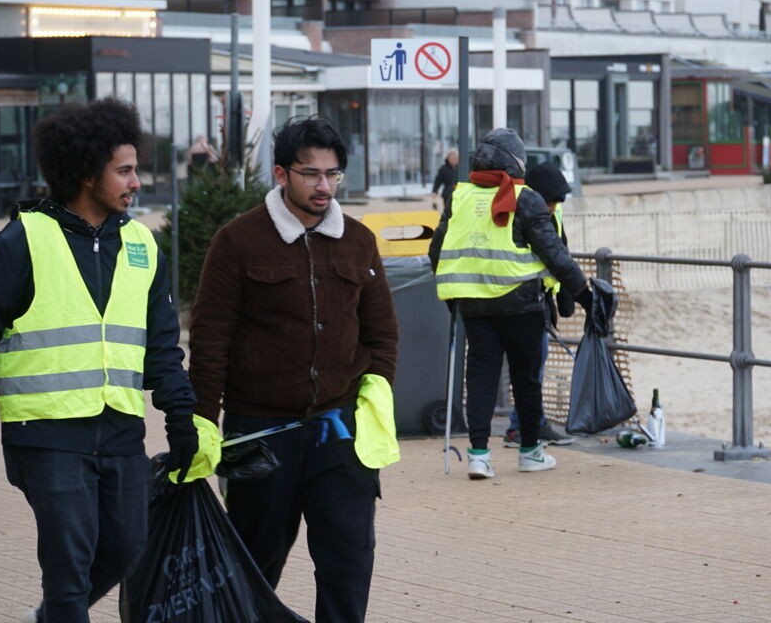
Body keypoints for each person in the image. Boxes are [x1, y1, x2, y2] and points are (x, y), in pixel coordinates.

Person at [0, 98, 199, 623]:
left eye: (135, 168)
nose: (136, 182)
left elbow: (163, 345)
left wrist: (179, 415)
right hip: (46, 435)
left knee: (128, 546)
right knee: (69, 565)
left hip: (121, 431)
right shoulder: (26, 238)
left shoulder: (143, 246)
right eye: (124, 170)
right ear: (86, 174)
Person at [189, 115, 398, 623]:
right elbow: (210, 340)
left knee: (349, 566)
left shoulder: (359, 240)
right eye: (311, 174)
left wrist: (370, 400)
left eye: (333, 174)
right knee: (253, 572)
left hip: (338, 433)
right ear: (281, 175)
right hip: (259, 435)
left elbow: (383, 333)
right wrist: (199, 422)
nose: (324, 186)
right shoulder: (237, 241)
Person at [429, 129, 591, 480]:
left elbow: (436, 251)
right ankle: (531, 452)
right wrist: (584, 295)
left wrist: (454, 295)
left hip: (475, 307)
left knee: (481, 378)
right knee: (527, 380)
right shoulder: (525, 197)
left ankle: (478, 456)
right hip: (522, 306)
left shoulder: (460, 197)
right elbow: (556, 255)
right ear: (516, 162)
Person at [504, 161, 576, 448]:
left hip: (542, 300)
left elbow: (561, 253)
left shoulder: (553, 213)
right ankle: (520, 426)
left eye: (556, 203)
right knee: (530, 368)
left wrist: (565, 297)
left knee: (535, 366)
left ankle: (528, 423)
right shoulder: (525, 212)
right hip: (524, 300)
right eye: (549, 202)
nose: (552, 208)